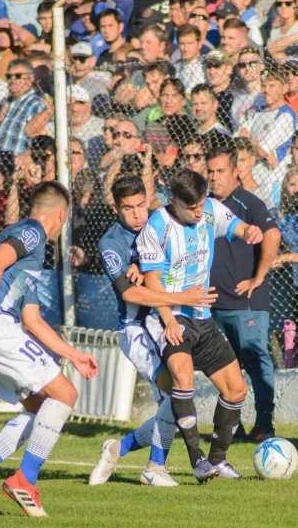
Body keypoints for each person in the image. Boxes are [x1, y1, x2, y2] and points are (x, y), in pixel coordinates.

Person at [0, 181, 98, 517]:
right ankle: (25, 479)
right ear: (60, 215)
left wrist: (72, 354)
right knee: (65, 394)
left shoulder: (26, 249)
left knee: (39, 406)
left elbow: (31, 319)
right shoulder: (32, 232)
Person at [88, 175, 222, 487]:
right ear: (116, 209)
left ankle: (121, 449)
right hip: (136, 328)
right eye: (128, 208)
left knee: (176, 397)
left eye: (141, 205)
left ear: (149, 200)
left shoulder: (162, 222)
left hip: (168, 321)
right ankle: (154, 468)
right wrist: (179, 297)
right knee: (177, 393)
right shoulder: (111, 243)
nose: (137, 214)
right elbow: (129, 294)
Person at [137, 169, 264, 481]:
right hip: (170, 315)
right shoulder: (156, 227)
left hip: (203, 317)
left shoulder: (209, 209)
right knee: (182, 376)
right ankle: (197, 460)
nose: (198, 212)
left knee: (237, 389)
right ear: (173, 201)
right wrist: (168, 320)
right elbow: (152, 283)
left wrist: (250, 231)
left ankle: (217, 460)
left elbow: (235, 225)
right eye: (191, 208)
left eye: (201, 205)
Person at [207, 145, 281, 442]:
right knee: (225, 368)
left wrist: (257, 278)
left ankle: (264, 424)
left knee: (255, 360)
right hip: (214, 304)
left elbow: (272, 235)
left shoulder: (249, 203)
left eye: (220, 171)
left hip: (246, 303)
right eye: (210, 172)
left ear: (236, 170)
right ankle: (231, 426)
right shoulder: (206, 205)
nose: (214, 178)